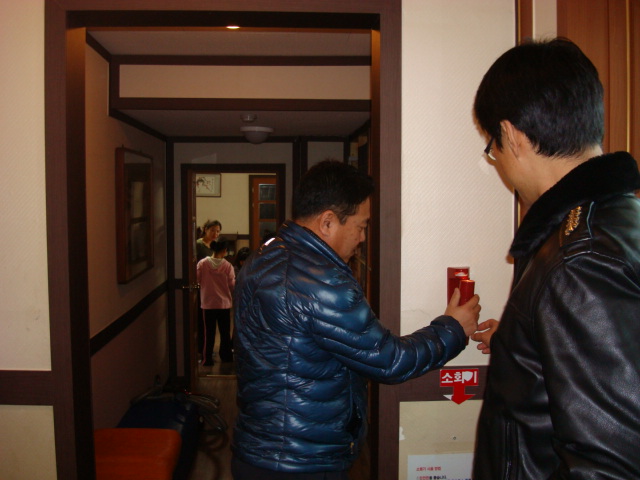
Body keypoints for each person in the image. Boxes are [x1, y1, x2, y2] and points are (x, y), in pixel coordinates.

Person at [231, 160, 481, 479]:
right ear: (327, 222)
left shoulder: (263, 256)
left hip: (258, 450)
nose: (362, 238)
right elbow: (390, 360)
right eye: (361, 226)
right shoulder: (322, 283)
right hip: (300, 463)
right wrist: (454, 328)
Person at [471, 38, 640, 479]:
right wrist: (523, 342)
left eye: (493, 148)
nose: (498, 162)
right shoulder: (617, 221)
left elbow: (609, 465)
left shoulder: (579, 261)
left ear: (511, 135)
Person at [196, 238, 235, 366]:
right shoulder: (228, 266)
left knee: (208, 333)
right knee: (225, 332)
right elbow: (232, 285)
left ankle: (207, 359)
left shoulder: (202, 264)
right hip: (224, 304)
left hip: (208, 304)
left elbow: (197, 280)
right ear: (224, 251)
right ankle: (226, 356)